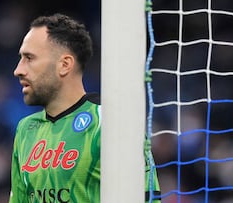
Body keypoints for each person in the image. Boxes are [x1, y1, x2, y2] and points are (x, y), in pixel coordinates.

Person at [9, 13, 160, 203]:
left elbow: (149, 198)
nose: (18, 70)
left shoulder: (110, 122)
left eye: (29, 58)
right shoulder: (25, 129)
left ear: (64, 65)